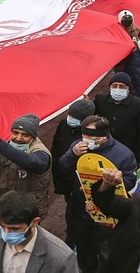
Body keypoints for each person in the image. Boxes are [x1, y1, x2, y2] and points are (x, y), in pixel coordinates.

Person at [58, 115, 137, 273]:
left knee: (105, 253)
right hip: (80, 210)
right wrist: (72, 154)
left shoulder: (123, 155)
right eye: (84, 134)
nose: (85, 139)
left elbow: (130, 182)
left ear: (103, 136)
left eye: (90, 136)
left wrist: (107, 184)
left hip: (105, 216)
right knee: (84, 251)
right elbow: (62, 168)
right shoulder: (77, 147)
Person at [0, 114, 52, 218]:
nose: (18, 138)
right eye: (15, 133)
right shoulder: (4, 143)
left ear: (33, 137)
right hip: (0, 205)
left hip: (25, 211)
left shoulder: (41, 153)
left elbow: (31, 162)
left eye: (25, 135)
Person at [0, 191, 78, 273]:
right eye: (2, 226)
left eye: (15, 229)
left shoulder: (61, 258)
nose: (6, 232)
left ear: (34, 222)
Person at [51, 98, 96, 248]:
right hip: (65, 178)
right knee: (70, 211)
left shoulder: (91, 136)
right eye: (70, 115)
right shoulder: (63, 125)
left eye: (75, 117)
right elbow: (56, 149)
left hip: (80, 183)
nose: (70, 119)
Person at [93, 72, 140, 166]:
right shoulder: (100, 100)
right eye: (114, 86)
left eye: (121, 86)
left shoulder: (139, 106)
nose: (117, 89)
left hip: (128, 151)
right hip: (104, 150)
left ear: (128, 89)